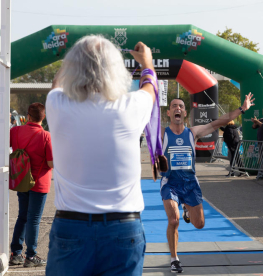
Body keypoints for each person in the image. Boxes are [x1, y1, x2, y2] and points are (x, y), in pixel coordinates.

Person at [45, 35, 156, 276]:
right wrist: (147, 63)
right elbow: (150, 88)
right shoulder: (131, 106)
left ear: (72, 69)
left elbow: (58, 83)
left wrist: (73, 60)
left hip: (71, 227)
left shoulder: (57, 104)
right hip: (123, 227)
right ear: (117, 70)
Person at [161, 94, 255, 273]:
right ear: (168, 113)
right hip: (170, 182)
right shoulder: (163, 133)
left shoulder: (193, 132)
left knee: (199, 224)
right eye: (174, 106)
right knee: (173, 220)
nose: (177, 108)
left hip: (190, 183)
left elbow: (219, 122)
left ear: (185, 112)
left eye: (180, 106)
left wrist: (242, 109)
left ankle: (187, 207)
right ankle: (174, 259)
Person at [9, 103, 53, 268]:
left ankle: (16, 253)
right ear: (43, 117)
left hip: (22, 179)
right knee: (34, 219)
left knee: (22, 216)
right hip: (39, 182)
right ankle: (31, 256)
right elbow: (51, 162)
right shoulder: (46, 136)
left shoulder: (15, 131)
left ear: (27, 116)